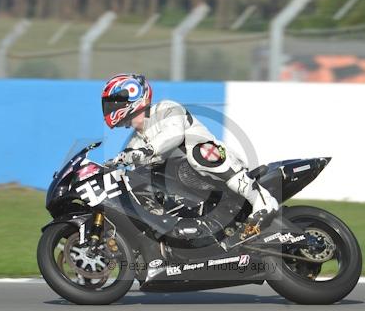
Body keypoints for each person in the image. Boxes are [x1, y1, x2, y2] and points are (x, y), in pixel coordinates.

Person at [101, 73, 278, 225]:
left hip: (217, 165)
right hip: (189, 191)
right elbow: (136, 169)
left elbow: (174, 134)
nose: (110, 108)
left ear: (131, 96)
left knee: (198, 152)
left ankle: (263, 200)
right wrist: (116, 164)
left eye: (113, 102)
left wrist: (145, 152)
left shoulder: (166, 108)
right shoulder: (135, 141)